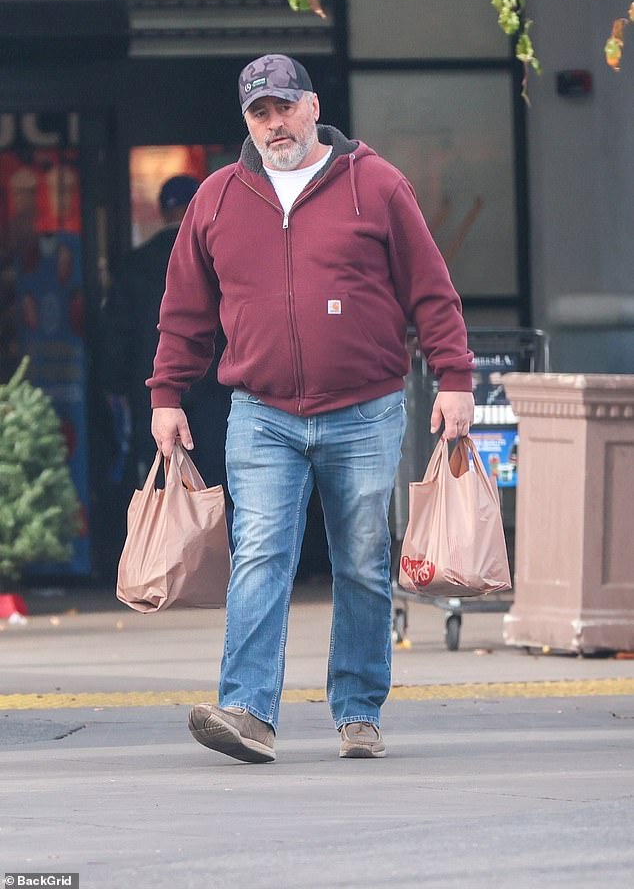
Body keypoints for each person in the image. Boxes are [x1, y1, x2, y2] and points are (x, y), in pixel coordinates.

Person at [148, 54, 475, 763]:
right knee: (260, 553)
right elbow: (184, 310)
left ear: (312, 106)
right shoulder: (217, 197)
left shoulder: (377, 184)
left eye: (285, 108)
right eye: (259, 113)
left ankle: (358, 711)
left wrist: (456, 379)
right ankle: (248, 712)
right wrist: (167, 393)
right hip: (261, 411)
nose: (275, 124)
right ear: (247, 122)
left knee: (360, 560)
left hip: (366, 409)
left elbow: (431, 289)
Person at [100, 175, 231, 490]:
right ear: (200, 206)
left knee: (165, 496)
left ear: (162, 211)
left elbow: (117, 337)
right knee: (222, 496)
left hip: (155, 398)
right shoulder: (219, 258)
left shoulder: (134, 265)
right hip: (218, 397)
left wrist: (115, 385)